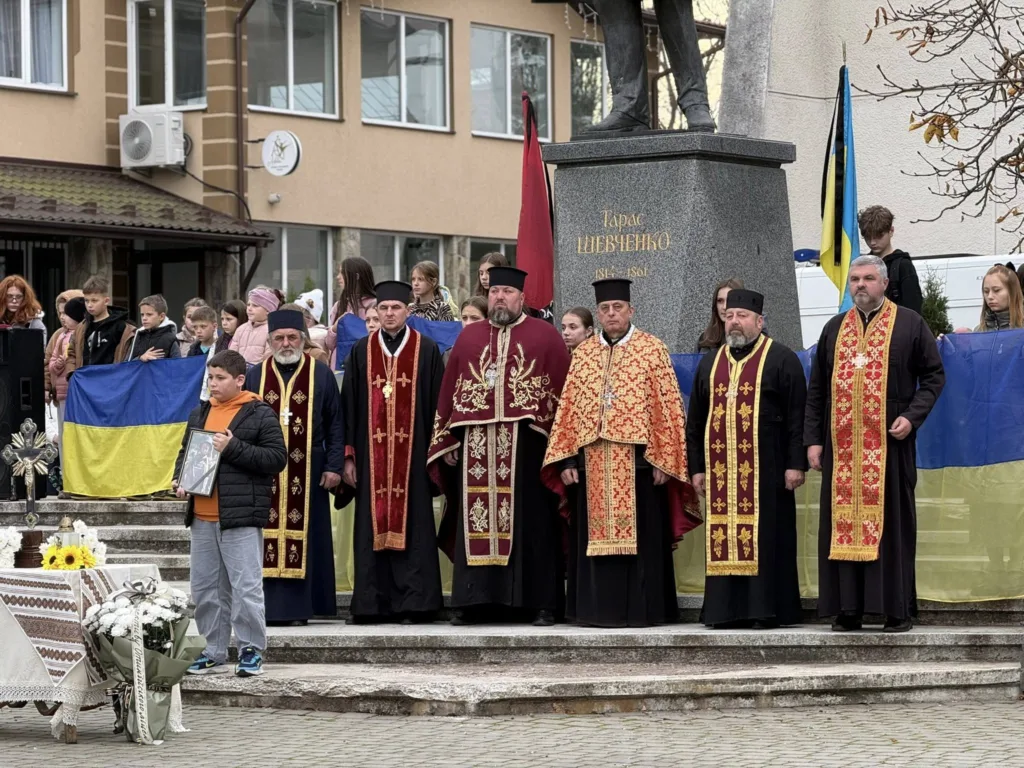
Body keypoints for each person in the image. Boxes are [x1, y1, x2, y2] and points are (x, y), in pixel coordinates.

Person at [543, 279, 701, 628]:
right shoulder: (583, 353)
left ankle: (646, 610)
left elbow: (669, 409)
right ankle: (594, 611)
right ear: (597, 314)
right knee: (591, 540)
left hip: (641, 465)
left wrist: (667, 459)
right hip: (591, 464)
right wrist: (568, 459)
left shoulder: (651, 348)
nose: (611, 314)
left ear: (631, 310)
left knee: (644, 539)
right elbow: (568, 409)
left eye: (618, 308)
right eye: (604, 309)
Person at [805, 255, 945, 633]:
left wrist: (912, 417)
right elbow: (817, 389)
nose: (860, 286)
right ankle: (847, 609)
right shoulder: (834, 329)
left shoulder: (910, 325)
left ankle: (894, 610)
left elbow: (933, 377)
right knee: (841, 527)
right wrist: (813, 441)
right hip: (842, 451)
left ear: (884, 283)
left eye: (868, 278)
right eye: (854, 280)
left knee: (893, 526)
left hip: (890, 447)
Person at [429, 267, 570, 626]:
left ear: (522, 297)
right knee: (474, 521)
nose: (500, 298)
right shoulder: (470, 338)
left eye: (507, 291)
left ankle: (538, 602)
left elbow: (564, 399)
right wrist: (447, 439)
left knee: (533, 524)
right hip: (475, 446)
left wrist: (562, 450)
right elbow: (450, 394)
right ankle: (474, 600)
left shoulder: (545, 336)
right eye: (494, 292)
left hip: (528, 450)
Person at [686, 289, 806, 629]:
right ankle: (724, 611)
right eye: (729, 316)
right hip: (722, 474)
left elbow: (798, 416)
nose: (734, 322)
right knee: (724, 538)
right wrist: (696, 468)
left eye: (742, 316)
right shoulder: (710, 363)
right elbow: (694, 421)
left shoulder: (782, 359)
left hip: (768, 473)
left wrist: (795, 463)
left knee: (768, 539)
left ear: (759, 321)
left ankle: (764, 610)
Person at [174, 350, 287, 677]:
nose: (213, 383)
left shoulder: (258, 413)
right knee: (205, 588)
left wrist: (233, 447)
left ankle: (251, 649)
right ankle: (213, 649)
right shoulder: (201, 412)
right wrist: (181, 480)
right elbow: (187, 454)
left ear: (240, 379)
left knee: (245, 586)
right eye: (210, 377)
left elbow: (276, 459)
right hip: (202, 516)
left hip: (239, 516)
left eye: (220, 378)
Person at [340, 281, 445, 624]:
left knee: (414, 526)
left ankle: (416, 604)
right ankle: (373, 603)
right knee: (371, 525)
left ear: (408, 311)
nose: (388, 314)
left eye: (395, 308)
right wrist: (349, 456)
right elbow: (349, 408)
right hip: (372, 460)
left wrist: (435, 454)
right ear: (374, 313)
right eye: (382, 309)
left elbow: (437, 408)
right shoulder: (361, 351)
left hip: (412, 459)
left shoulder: (426, 350)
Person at [244, 309, 344, 625]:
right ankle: (270, 607)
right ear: (270, 341)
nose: (286, 343)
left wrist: (334, 466)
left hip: (310, 471)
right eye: (279, 338)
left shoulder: (321, 373)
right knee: (265, 537)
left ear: (302, 339)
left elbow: (336, 425)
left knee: (309, 536)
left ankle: (303, 608)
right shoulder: (256, 375)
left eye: (292, 337)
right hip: (264, 475)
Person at [65, 275, 136, 377]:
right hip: (84, 381)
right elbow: (71, 353)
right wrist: (72, 374)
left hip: (109, 383)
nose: (89, 305)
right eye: (86, 300)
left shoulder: (122, 327)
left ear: (106, 301)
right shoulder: (81, 327)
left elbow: (128, 357)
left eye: (94, 301)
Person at [858, 206, 923, 316]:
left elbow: (913, 311)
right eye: (868, 237)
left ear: (891, 231)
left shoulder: (903, 266)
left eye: (879, 236)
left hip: (897, 328)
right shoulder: (863, 265)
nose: (872, 242)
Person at [45, 292, 84, 459]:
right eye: (60, 313)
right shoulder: (58, 335)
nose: (62, 317)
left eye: (66, 313)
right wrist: (46, 387)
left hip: (78, 392)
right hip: (60, 393)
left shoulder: (83, 333)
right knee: (64, 438)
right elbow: (48, 364)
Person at [326, 257, 377, 369]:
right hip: (339, 365)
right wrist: (335, 328)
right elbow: (330, 345)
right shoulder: (339, 306)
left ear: (356, 276)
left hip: (366, 363)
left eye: (342, 273)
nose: (338, 277)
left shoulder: (374, 304)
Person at [953, 264, 1024, 333]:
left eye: (996, 290)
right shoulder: (979, 332)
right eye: (986, 291)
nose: (990, 296)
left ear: (1012, 292)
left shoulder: (1021, 328)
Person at [230, 286, 282, 365]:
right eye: (248, 304)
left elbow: (268, 360)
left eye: (255, 305)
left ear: (268, 310)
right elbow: (231, 356)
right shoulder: (240, 329)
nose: (249, 308)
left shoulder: (272, 330)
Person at [126, 294, 180, 362]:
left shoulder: (171, 339)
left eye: (149, 314)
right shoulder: (138, 336)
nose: (144, 318)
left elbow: (177, 367)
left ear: (161, 316)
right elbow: (127, 365)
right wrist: (140, 358)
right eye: (142, 315)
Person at [696, 278, 744, 353]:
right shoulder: (704, 339)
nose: (724, 307)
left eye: (730, 300)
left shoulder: (751, 338)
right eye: (720, 301)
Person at [0, 275, 46, 348]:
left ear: (25, 298)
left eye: (18, 297)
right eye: (9, 296)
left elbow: (40, 350)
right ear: (2, 297)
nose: (14, 301)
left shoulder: (33, 321)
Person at [187, 306, 220, 402]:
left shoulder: (220, 347)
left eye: (203, 326)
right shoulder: (193, 350)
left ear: (214, 326)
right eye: (195, 327)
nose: (198, 331)